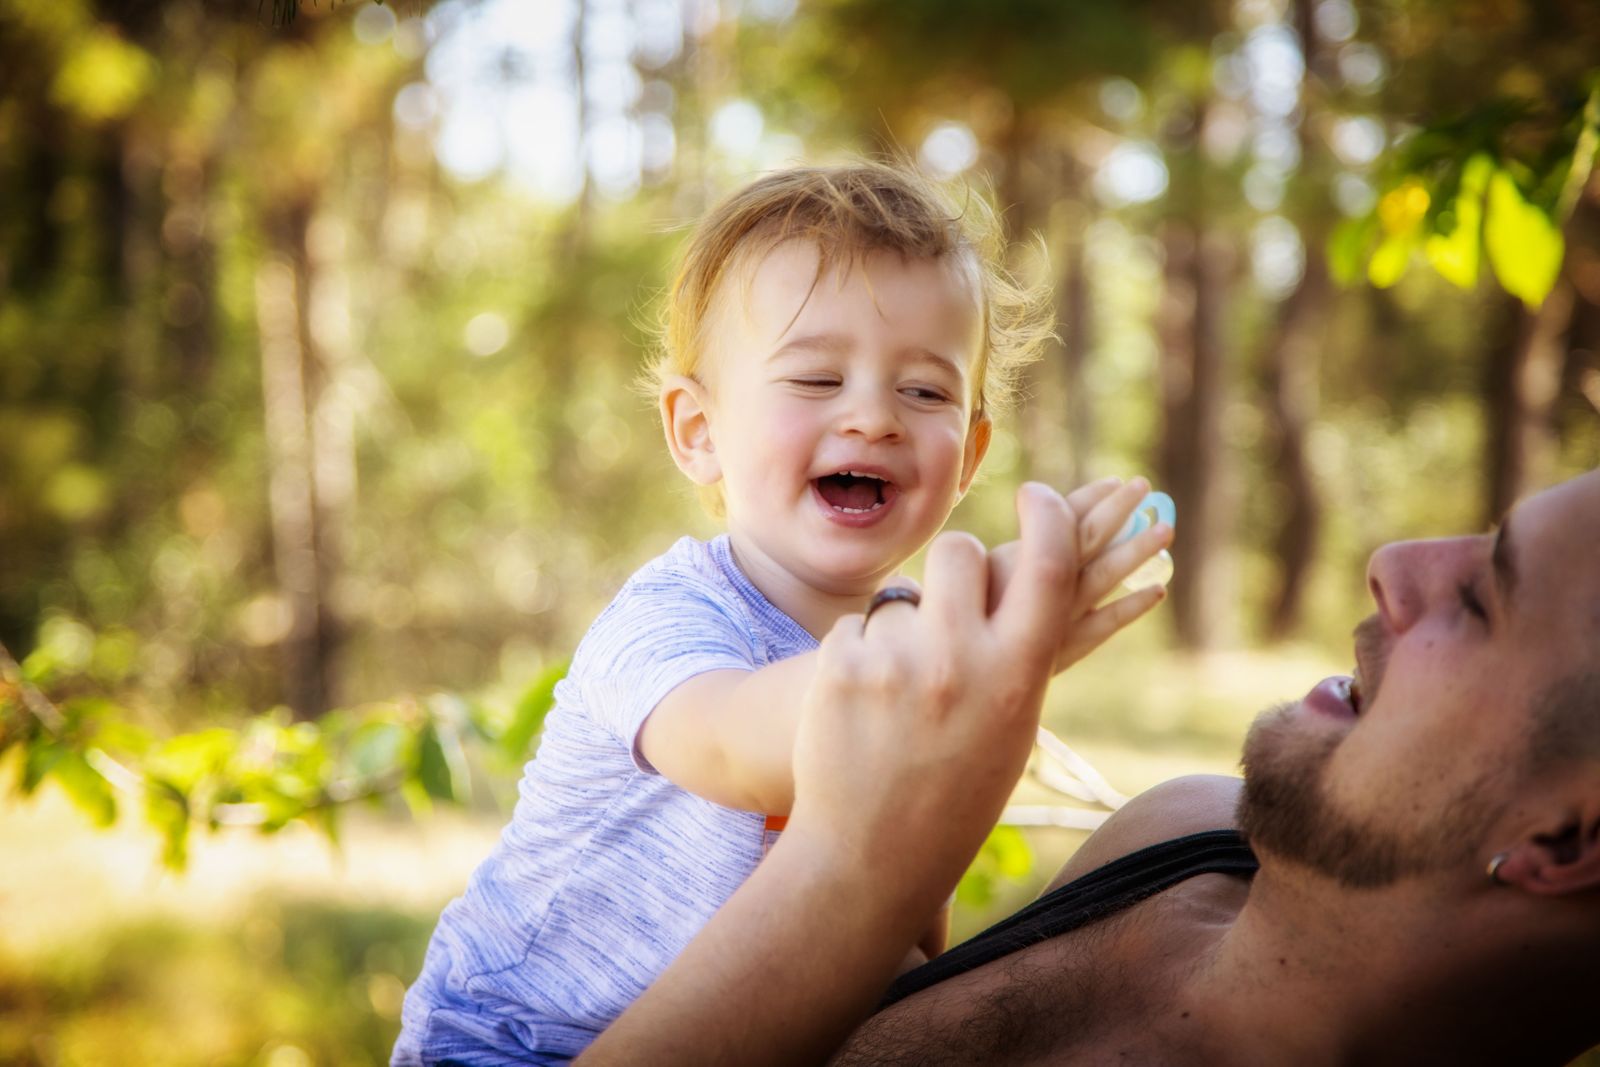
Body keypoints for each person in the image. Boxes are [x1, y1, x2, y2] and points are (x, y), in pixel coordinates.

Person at [393, 162, 1174, 1066]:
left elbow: (894, 928)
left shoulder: (905, 645)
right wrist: (957, 652)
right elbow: (736, 747)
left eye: (925, 391)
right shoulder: (667, 618)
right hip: (505, 1042)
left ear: (969, 456)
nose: (874, 417)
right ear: (698, 432)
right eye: (815, 378)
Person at [579, 467, 1600, 1066]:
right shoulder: (1182, 831)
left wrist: (858, 863)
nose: (1395, 562)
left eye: (1482, 599)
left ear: (1568, 838)